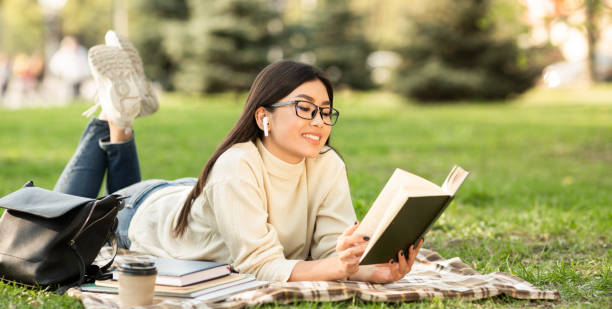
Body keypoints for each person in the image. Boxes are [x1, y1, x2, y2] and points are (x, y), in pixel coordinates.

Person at [55, 31, 423, 283]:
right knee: (54, 223)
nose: (319, 122)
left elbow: (329, 251)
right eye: (305, 109)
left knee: (96, 201)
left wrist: (367, 268)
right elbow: (258, 265)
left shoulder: (327, 163)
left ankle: (120, 115)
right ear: (263, 117)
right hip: (146, 215)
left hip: (197, 200)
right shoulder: (236, 164)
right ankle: (112, 113)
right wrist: (336, 268)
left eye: (326, 111)